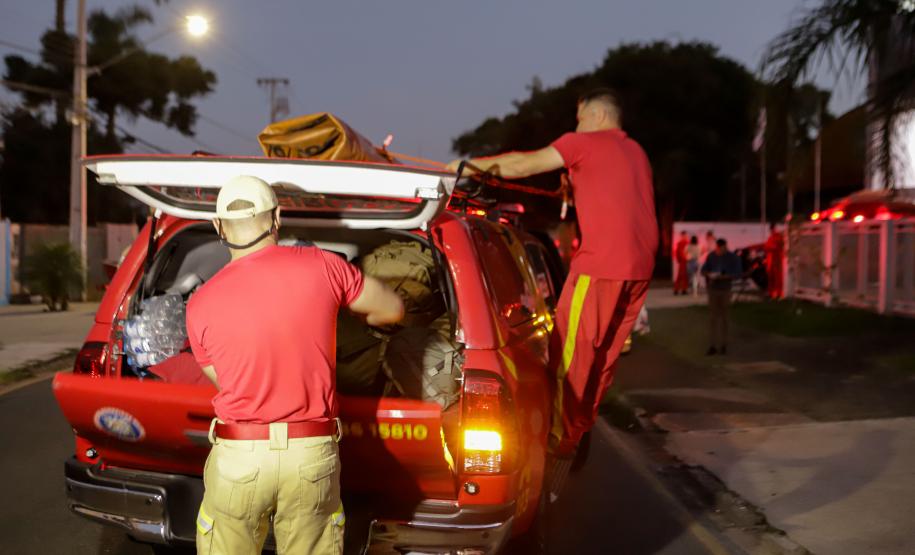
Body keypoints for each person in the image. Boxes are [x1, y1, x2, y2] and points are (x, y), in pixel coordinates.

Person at [185, 176, 404, 555]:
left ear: (219, 227)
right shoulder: (324, 266)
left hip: (240, 456)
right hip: (310, 456)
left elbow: (225, 380)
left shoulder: (200, 302)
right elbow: (392, 309)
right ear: (277, 219)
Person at [446, 88, 658, 458]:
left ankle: (556, 438)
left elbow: (525, 164)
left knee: (569, 353)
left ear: (597, 115)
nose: (576, 125)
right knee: (603, 357)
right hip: (639, 269)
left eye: (579, 117)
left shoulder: (583, 142)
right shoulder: (636, 152)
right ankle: (576, 429)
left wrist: (468, 167)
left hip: (601, 265)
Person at [701, 238, 742, 355]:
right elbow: (704, 270)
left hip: (725, 289)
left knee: (724, 318)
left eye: (721, 249)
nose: (719, 251)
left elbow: (738, 274)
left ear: (725, 247)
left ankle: (724, 344)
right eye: (717, 249)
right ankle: (712, 345)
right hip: (713, 289)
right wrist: (709, 274)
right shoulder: (712, 256)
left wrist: (724, 277)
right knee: (713, 318)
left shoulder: (733, 258)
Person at [764, 223, 785, 300]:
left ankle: (779, 293)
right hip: (771, 261)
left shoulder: (778, 236)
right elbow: (767, 247)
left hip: (777, 260)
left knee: (778, 278)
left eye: (772, 228)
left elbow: (776, 247)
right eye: (771, 229)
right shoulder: (771, 237)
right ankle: (771, 293)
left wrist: (770, 248)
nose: (771, 230)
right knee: (771, 278)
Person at [673, 231, 689, 295]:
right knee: (681, 276)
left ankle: (682, 289)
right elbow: (678, 253)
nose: (685, 237)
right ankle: (679, 289)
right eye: (684, 235)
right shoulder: (682, 243)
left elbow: (678, 253)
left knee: (683, 276)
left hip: (684, 261)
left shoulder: (685, 243)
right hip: (683, 262)